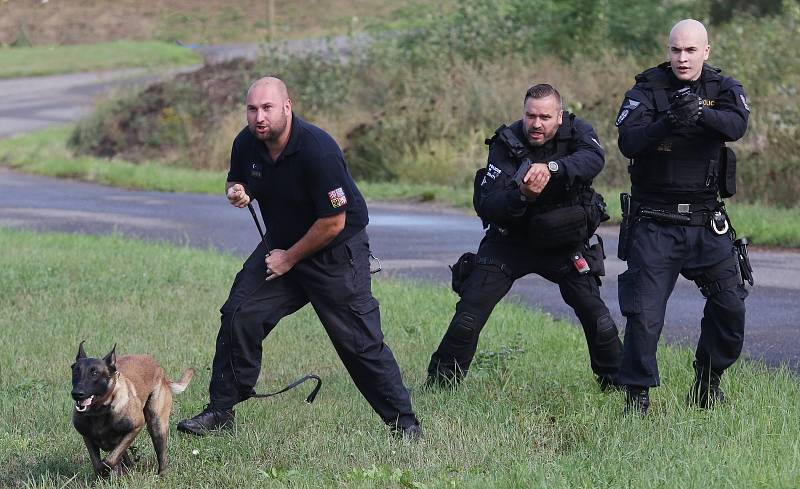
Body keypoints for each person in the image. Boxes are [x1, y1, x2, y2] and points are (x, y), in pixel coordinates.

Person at [177, 77, 421, 438]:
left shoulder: (317, 150)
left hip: (336, 252)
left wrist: (289, 260)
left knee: (358, 343)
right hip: (283, 244)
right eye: (252, 109)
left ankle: (405, 425)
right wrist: (236, 191)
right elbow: (235, 181)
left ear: (287, 107)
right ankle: (221, 412)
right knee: (240, 313)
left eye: (268, 108)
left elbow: (334, 221)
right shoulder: (247, 143)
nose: (259, 117)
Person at [427, 84, 622, 390]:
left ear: (559, 116)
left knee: (598, 318)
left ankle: (617, 385)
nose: (536, 124)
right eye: (531, 115)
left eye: (545, 116)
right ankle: (440, 385)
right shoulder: (506, 141)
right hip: (510, 242)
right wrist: (522, 195)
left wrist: (552, 168)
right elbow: (489, 204)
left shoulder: (578, 131)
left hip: (563, 242)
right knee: (469, 314)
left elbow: (594, 159)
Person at [615, 19, 750, 415]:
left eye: (691, 50)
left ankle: (707, 382)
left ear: (706, 51)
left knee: (730, 305)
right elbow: (628, 141)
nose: (682, 58)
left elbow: (737, 125)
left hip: (707, 222)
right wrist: (669, 120)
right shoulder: (646, 89)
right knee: (644, 315)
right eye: (676, 50)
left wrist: (700, 114)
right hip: (655, 221)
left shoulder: (724, 88)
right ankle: (637, 396)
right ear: (668, 49)